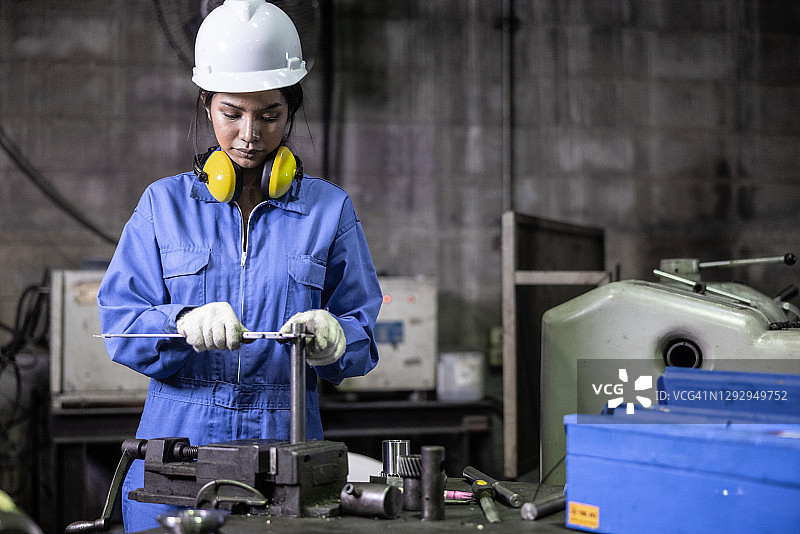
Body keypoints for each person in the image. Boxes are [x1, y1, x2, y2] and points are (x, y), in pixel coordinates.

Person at [96, 1, 382, 530]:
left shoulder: (329, 211)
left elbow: (362, 337)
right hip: (180, 448)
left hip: (287, 441)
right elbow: (119, 324)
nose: (250, 133)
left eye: (269, 115)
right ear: (207, 106)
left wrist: (336, 338)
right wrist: (180, 323)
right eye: (232, 113)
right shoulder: (163, 205)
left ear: (290, 112)